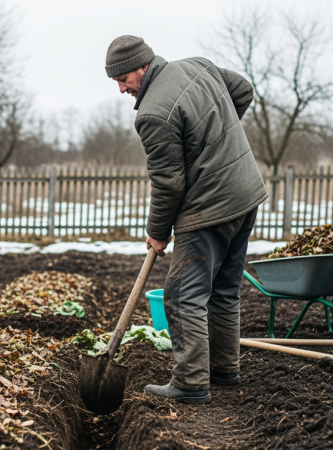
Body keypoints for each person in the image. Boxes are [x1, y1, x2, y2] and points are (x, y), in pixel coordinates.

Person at [106, 36, 268, 404]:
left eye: (124, 78)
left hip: (209, 207)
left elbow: (169, 183)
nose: (120, 89)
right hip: (246, 195)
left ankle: (191, 383)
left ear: (143, 66)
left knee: (182, 296)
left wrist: (157, 233)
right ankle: (224, 370)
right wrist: (216, 139)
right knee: (224, 290)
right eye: (115, 81)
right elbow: (242, 89)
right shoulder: (199, 66)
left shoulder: (153, 114)